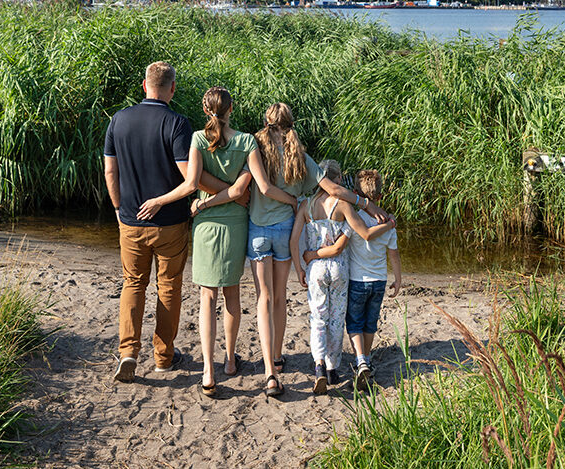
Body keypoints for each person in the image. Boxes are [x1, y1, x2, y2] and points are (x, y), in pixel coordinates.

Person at [139, 88, 299, 397]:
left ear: (205, 110)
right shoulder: (247, 142)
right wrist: (292, 201)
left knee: (207, 298)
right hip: (236, 224)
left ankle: (208, 372)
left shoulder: (198, 139)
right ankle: (229, 361)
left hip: (206, 226)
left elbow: (190, 185)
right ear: (231, 109)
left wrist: (164, 201)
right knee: (232, 295)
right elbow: (249, 189)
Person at [247, 103, 390, 393]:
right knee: (286, 299)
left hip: (261, 229)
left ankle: (276, 365)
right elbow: (335, 191)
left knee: (268, 298)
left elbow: (257, 187)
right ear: (291, 123)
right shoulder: (300, 155)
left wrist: (304, 263)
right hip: (291, 233)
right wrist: (366, 204)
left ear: (266, 122)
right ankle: (303, 360)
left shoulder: (255, 148)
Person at [103, 61, 193, 383]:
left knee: (133, 283)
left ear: (144, 85)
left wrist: (118, 208)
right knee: (168, 286)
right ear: (172, 89)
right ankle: (163, 357)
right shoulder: (177, 123)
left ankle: (128, 352)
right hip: (170, 223)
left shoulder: (119, 119)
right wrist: (161, 201)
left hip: (130, 220)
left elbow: (110, 171)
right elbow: (189, 180)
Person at [290, 160, 396, 394]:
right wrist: (389, 223)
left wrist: (299, 268)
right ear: (338, 180)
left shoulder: (306, 205)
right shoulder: (344, 205)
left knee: (318, 318)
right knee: (337, 319)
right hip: (339, 269)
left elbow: (294, 240)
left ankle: (319, 365)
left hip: (315, 268)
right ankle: (332, 369)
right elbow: (363, 233)